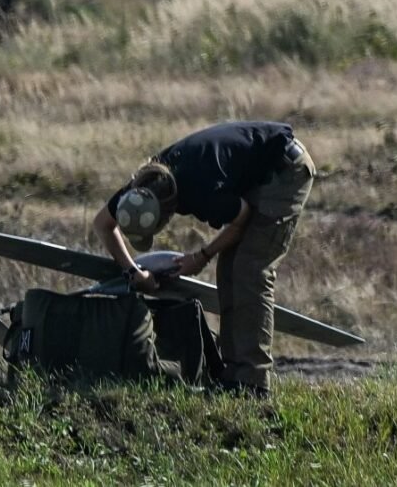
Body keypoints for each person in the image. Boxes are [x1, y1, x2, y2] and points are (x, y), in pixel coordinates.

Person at [93, 121, 316, 397]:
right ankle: (233, 375)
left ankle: (253, 383)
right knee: (229, 270)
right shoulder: (143, 184)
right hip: (256, 171)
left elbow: (241, 219)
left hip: (285, 171)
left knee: (249, 269)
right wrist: (133, 272)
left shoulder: (202, 191)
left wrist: (201, 256)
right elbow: (103, 223)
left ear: (166, 213)